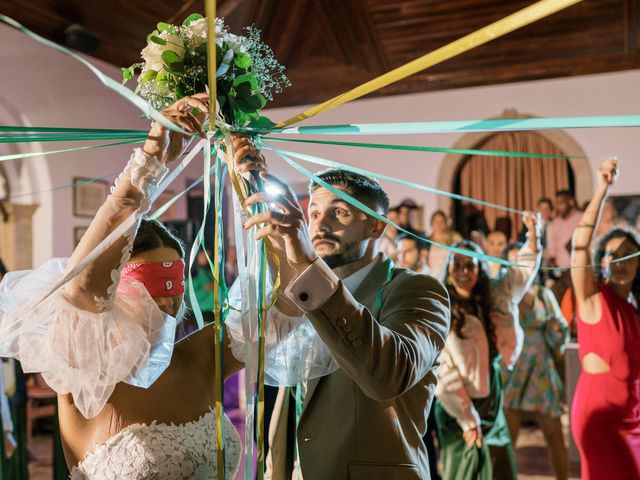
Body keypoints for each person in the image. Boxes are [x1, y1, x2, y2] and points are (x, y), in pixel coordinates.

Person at [0, 94, 246, 478]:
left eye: (174, 283)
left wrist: (255, 190)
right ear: (113, 286)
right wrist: (151, 160)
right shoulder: (80, 365)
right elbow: (82, 286)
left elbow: (284, 307)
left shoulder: (199, 356)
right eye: (150, 284)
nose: (167, 298)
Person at [234, 158, 451, 479]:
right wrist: (242, 166)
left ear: (376, 225)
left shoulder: (417, 290)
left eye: (340, 212)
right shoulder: (301, 293)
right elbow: (245, 346)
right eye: (315, 214)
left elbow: (389, 374)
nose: (320, 226)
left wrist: (309, 264)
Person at [434, 213, 541, 480]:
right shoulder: (440, 308)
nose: (463, 272)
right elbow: (441, 371)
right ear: (448, 269)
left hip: (491, 395)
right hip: (455, 405)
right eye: (456, 265)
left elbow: (522, 273)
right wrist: (468, 419)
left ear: (480, 268)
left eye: (470, 265)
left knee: (500, 466)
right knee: (468, 470)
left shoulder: (495, 294)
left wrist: (533, 236)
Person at [570, 158, 640, 479]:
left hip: (634, 419)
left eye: (628, 252)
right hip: (600, 418)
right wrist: (602, 190)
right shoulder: (594, 298)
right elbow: (580, 244)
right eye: (612, 253)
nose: (620, 259)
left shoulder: (634, 312)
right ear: (603, 262)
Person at [503, 244, 569, 480]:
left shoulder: (544, 294)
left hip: (541, 373)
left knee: (555, 436)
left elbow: (561, 331)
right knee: (506, 442)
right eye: (513, 262)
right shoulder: (503, 295)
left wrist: (555, 331)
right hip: (513, 373)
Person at [546, 190, 581, 300]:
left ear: (570, 202)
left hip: (578, 268)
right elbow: (552, 248)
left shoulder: (581, 218)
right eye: (557, 203)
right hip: (561, 272)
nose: (559, 206)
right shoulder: (555, 223)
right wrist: (551, 260)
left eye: (562, 203)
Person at [427, 210, 463, 280]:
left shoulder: (455, 238)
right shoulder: (427, 241)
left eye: (442, 221)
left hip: (450, 276)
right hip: (432, 276)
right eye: (436, 221)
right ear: (431, 224)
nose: (439, 224)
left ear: (446, 223)